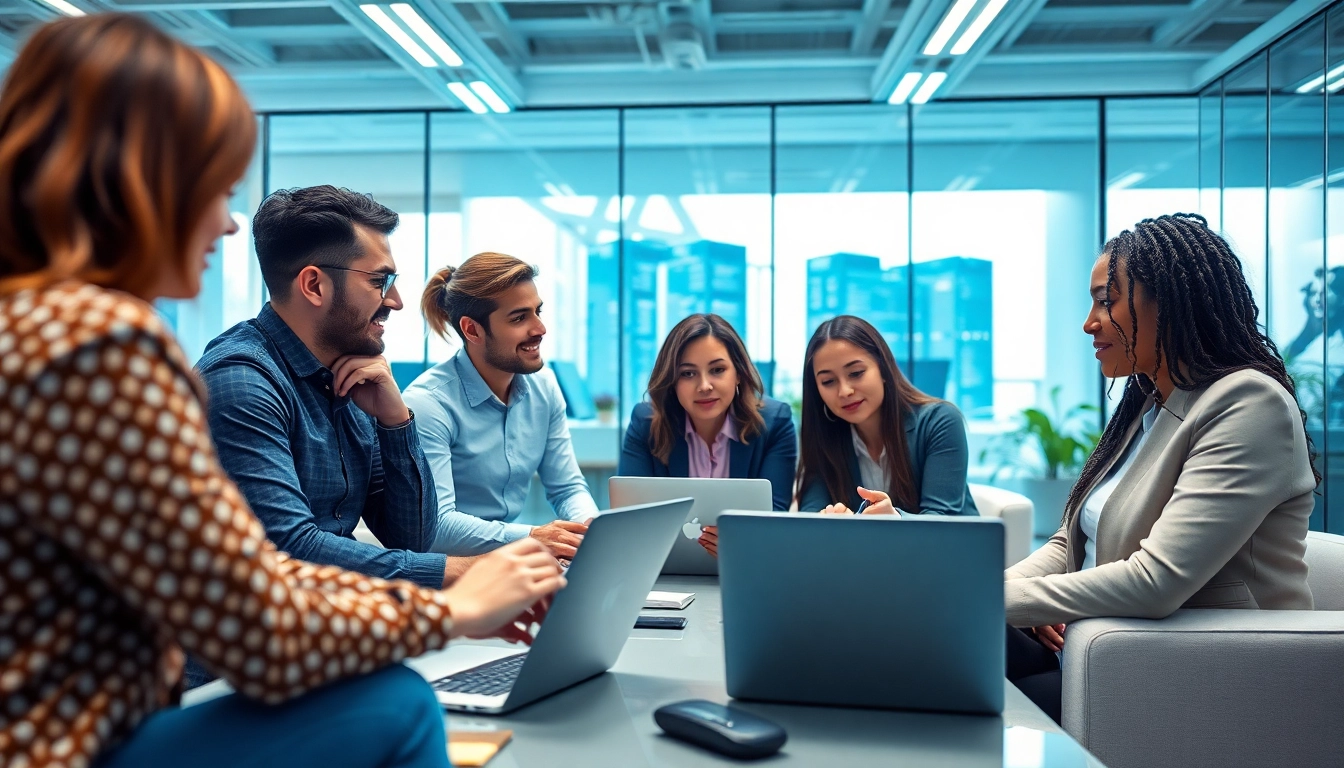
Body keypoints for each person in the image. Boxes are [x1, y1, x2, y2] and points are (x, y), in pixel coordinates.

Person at [0, 14, 564, 768]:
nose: (228, 224)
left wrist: (395, 426)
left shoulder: (35, 324)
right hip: (72, 747)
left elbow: (336, 551)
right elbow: (259, 622)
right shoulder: (105, 342)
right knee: (394, 701)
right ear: (144, 183)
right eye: (215, 188)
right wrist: (451, 607)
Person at [1004, 213, 1318, 723]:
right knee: (939, 648)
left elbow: (1156, 581)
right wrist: (990, 597)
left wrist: (992, 600)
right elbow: (1069, 545)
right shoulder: (1149, 406)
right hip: (1102, 651)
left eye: (1106, 300)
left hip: (1197, 670)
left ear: (1168, 300)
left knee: (950, 680)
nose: (1089, 321)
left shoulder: (1247, 404)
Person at [403, 253, 599, 559]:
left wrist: (589, 530)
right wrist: (534, 537)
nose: (540, 328)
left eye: (538, 311)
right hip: (450, 574)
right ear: (472, 330)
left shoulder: (544, 388)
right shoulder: (427, 405)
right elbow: (437, 526)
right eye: (520, 318)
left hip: (510, 564)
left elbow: (567, 488)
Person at [619, 313, 797, 557]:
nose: (704, 386)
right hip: (662, 574)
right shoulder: (646, 423)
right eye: (688, 374)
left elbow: (774, 519)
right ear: (672, 381)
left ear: (739, 373)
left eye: (717, 369)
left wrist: (742, 544)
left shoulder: (775, 423)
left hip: (745, 568)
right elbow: (630, 521)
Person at [794, 315, 976, 517]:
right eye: (828, 381)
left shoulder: (939, 421)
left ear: (883, 368)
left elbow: (944, 522)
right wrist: (831, 518)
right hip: (862, 550)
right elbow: (810, 514)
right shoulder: (823, 435)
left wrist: (895, 519)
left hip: (948, 548)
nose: (844, 391)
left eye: (856, 373)